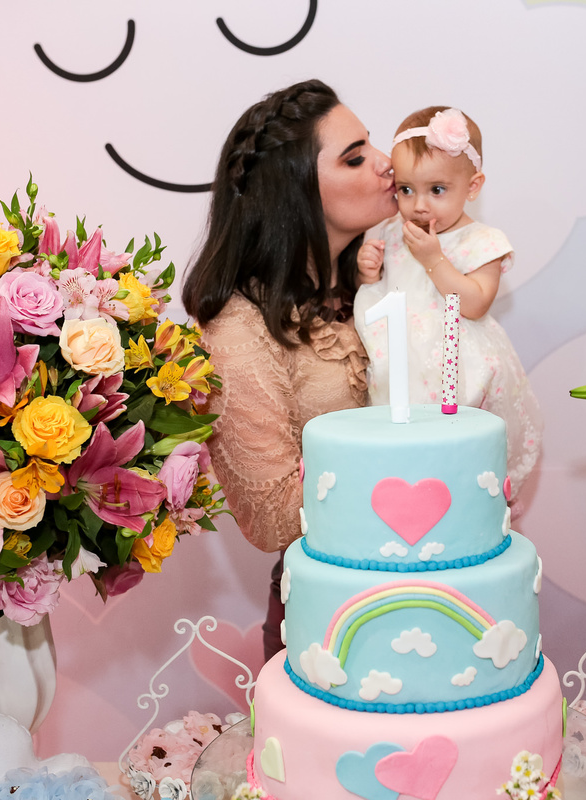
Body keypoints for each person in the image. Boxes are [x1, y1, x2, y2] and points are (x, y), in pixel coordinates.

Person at [181, 79, 396, 662]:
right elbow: (272, 515)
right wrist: (412, 467)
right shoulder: (238, 326)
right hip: (330, 620)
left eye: (372, 144)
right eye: (355, 157)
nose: (387, 163)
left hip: (438, 583)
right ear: (294, 191)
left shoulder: (387, 277)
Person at [354, 106, 543, 492]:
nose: (419, 204)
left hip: (456, 364)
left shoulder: (482, 241)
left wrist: (434, 259)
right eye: (406, 190)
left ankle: (471, 492)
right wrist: (368, 272)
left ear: (472, 187)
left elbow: (475, 303)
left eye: (436, 190)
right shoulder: (391, 230)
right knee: (404, 449)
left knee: (461, 454)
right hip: (400, 362)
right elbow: (383, 292)